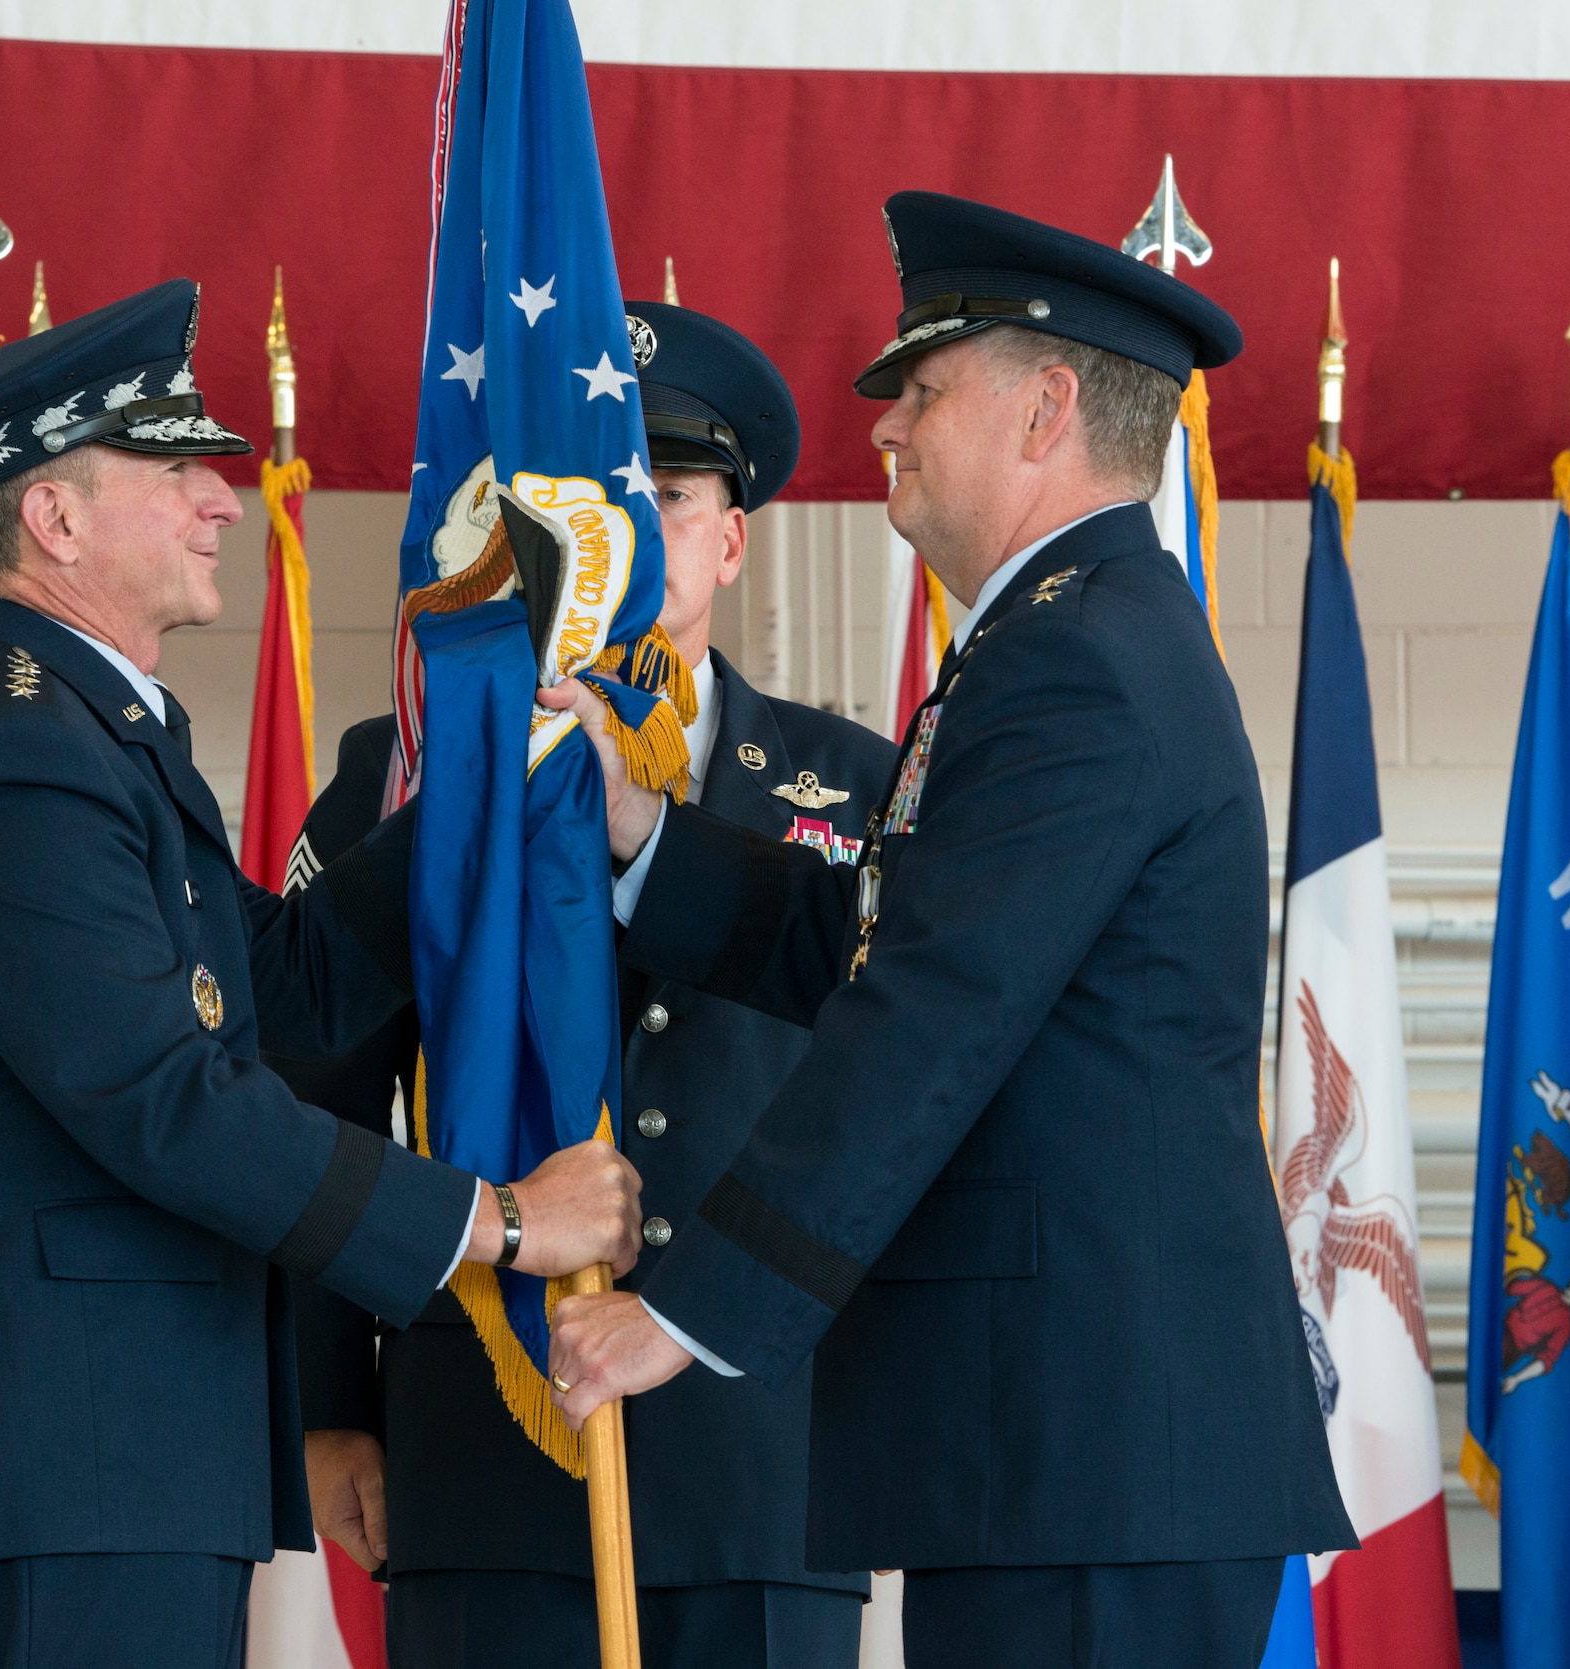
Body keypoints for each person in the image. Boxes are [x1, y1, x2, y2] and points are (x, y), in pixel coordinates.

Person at [543, 195, 1357, 1667]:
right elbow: (882, 938)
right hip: (1070, 1455)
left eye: (921, 390)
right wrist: (643, 840)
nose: (887, 429)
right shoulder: (1065, 634)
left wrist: (690, 1308)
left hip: (1091, 1452)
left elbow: (929, 1010)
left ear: (1047, 408)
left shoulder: (1079, 661)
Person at [0, 279, 642, 1669]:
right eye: (177, 468)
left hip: (104, 1453)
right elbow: (172, 1101)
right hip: (63, 1456)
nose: (223, 500)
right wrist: (500, 1220)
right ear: (55, 518)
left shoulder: (87, 732)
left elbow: (282, 983)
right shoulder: (6, 756)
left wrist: (489, 785)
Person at [277, 304, 896, 1669]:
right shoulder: (406, 765)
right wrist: (330, 1405)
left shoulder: (850, 782)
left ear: (732, 538)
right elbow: (313, 1084)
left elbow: (898, 1103)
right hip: (487, 1454)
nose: (631, 532)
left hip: (761, 1474)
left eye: (666, 496)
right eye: (595, 500)